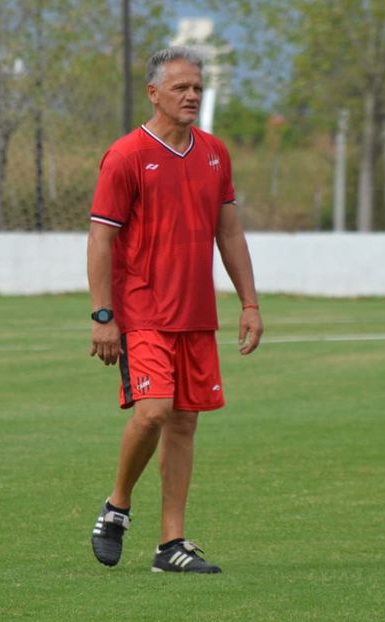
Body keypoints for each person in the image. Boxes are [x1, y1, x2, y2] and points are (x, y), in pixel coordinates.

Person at [87, 46, 263, 574]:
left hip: (196, 312)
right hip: (142, 310)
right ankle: (117, 505)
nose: (191, 96)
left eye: (197, 88)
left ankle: (171, 545)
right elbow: (100, 238)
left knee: (184, 422)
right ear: (153, 93)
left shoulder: (214, 153)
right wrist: (102, 315)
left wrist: (249, 302)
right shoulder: (126, 155)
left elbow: (229, 232)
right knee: (154, 412)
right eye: (181, 87)